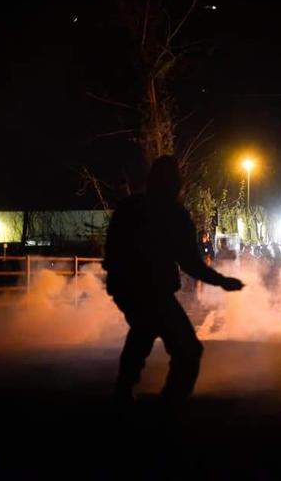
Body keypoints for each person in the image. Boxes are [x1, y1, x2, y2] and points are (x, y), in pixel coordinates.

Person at [103, 156, 244, 409]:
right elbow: (191, 262)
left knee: (141, 335)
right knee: (187, 351)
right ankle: (168, 407)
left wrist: (117, 280)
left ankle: (123, 395)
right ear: (172, 182)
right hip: (153, 292)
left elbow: (112, 249)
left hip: (128, 289)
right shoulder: (172, 212)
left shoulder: (130, 206)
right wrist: (222, 281)